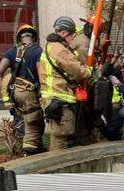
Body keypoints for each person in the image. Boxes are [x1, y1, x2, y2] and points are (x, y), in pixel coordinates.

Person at [39, 16, 93, 152]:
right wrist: (89, 70)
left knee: (58, 135)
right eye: (72, 35)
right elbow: (79, 72)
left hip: (51, 98)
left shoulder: (49, 46)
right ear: (63, 33)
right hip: (59, 97)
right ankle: (55, 164)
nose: (73, 39)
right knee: (61, 136)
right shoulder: (60, 50)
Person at [0, 23, 45, 155]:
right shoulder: (38, 51)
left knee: (21, 119)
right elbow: (41, 74)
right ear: (33, 37)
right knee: (34, 121)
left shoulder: (11, 51)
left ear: (19, 38)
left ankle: (29, 146)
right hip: (29, 92)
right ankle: (29, 151)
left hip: (13, 93)